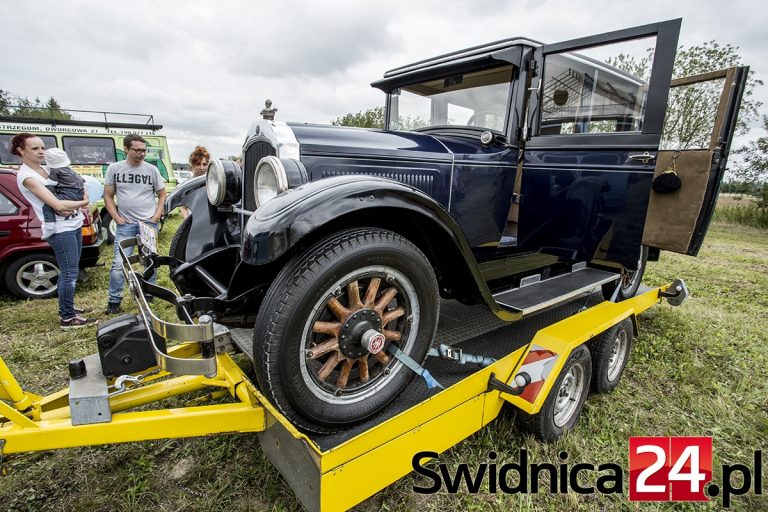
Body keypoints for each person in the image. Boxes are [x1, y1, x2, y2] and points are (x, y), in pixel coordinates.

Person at [12, 133, 96, 329]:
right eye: (35, 148)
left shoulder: (46, 169)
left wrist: (73, 206)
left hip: (72, 224)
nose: (41, 151)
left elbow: (68, 197)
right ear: (20, 150)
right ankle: (67, 318)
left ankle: (69, 308)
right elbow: (58, 205)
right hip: (60, 229)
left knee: (73, 270)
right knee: (69, 272)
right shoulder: (28, 177)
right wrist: (83, 202)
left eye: (42, 147)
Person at [104, 134, 167, 314]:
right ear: (126, 149)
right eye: (137, 150)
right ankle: (114, 301)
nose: (142, 154)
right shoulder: (115, 169)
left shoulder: (151, 170)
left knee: (149, 260)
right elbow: (108, 195)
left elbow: (162, 194)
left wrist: (156, 216)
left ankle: (149, 294)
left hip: (148, 224)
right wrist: (116, 217)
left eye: (144, 150)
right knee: (119, 263)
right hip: (126, 225)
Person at [42, 148, 85, 224]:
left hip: (68, 194)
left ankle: (50, 224)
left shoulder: (55, 171)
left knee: (47, 206)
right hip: (80, 193)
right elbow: (83, 182)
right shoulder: (71, 170)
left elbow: (51, 183)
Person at [180, 146, 209, 219]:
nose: (202, 168)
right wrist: (187, 222)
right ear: (192, 165)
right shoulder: (187, 184)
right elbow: (183, 208)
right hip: (192, 221)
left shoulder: (212, 183)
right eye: (198, 164)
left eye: (205, 164)